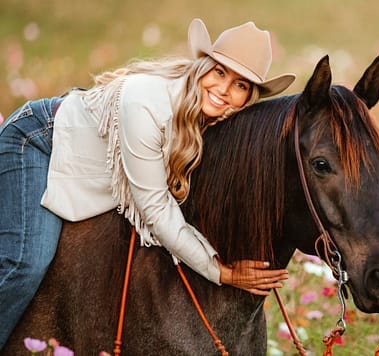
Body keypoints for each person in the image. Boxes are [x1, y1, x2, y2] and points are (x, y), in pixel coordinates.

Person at [0, 18, 294, 349]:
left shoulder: (215, 120)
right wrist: (220, 271)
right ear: (203, 68)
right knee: (25, 263)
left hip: (96, 165)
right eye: (220, 72)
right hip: (40, 139)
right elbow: (155, 206)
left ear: (249, 97)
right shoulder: (147, 104)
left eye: (241, 86)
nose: (225, 90)